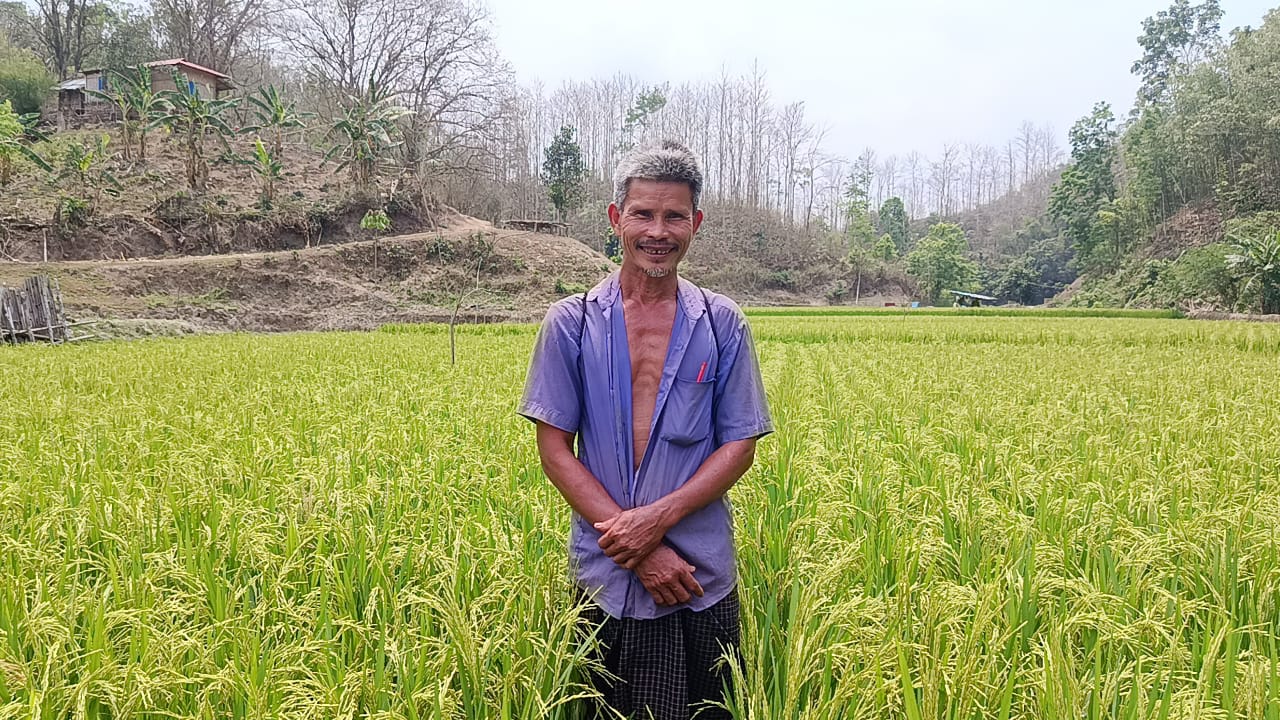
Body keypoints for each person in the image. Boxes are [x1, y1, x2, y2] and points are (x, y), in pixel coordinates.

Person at [518, 140, 773, 719]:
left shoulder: (722, 323)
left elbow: (739, 444)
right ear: (616, 219)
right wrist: (638, 549)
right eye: (643, 214)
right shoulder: (572, 323)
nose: (658, 231)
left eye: (674, 216)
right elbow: (554, 449)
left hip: (697, 578)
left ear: (695, 223)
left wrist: (655, 525)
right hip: (606, 576)